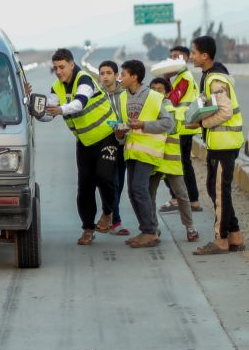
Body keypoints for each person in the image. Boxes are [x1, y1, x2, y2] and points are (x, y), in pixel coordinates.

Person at [36, 48, 118, 245]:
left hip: (107, 136)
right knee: (84, 188)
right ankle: (88, 229)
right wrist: (35, 109)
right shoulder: (57, 88)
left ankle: (108, 212)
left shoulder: (84, 79)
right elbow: (48, 114)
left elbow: (80, 103)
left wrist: (61, 109)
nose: (58, 71)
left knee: (104, 177)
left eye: (62, 67)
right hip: (84, 142)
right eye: (55, 68)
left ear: (72, 65)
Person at [187, 35, 246, 255]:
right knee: (215, 188)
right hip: (220, 143)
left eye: (193, 52)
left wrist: (202, 123)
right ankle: (235, 235)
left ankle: (221, 240)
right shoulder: (210, 76)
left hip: (224, 143)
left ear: (205, 55)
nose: (191, 56)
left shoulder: (216, 80)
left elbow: (225, 111)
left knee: (220, 192)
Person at [114, 60, 173, 248]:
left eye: (123, 74)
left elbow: (168, 124)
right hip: (131, 151)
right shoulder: (122, 98)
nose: (119, 78)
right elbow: (124, 126)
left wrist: (144, 125)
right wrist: (120, 133)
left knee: (139, 189)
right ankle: (148, 229)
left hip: (148, 151)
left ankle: (149, 232)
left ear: (135, 77)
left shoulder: (154, 97)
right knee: (132, 192)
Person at [148, 78, 199, 242]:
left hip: (170, 160)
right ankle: (153, 227)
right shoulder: (148, 109)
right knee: (149, 195)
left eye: (160, 89)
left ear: (168, 93)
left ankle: (190, 227)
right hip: (154, 159)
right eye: (153, 89)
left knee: (182, 195)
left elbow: (168, 128)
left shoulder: (171, 109)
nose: (156, 92)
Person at [158, 45, 204, 213]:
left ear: (185, 58)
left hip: (181, 127)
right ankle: (193, 201)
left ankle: (179, 199)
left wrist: (165, 81)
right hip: (182, 127)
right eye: (171, 56)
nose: (173, 59)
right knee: (184, 163)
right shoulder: (180, 76)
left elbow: (174, 99)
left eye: (177, 56)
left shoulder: (184, 76)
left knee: (173, 164)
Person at [98, 60, 129, 236]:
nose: (105, 76)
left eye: (109, 73)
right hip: (104, 144)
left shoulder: (125, 93)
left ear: (116, 75)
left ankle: (110, 217)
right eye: (102, 73)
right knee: (110, 182)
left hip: (123, 142)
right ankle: (114, 220)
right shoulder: (97, 94)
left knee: (119, 183)